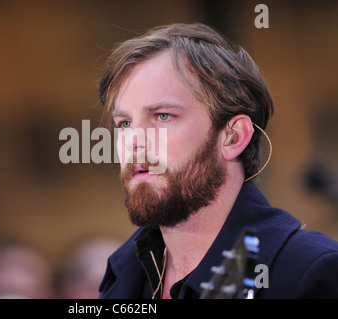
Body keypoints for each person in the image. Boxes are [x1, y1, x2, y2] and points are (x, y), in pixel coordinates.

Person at [97, 23, 338, 299]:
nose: (133, 141)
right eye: (124, 123)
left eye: (163, 116)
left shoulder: (308, 272)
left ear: (233, 137)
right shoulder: (124, 272)